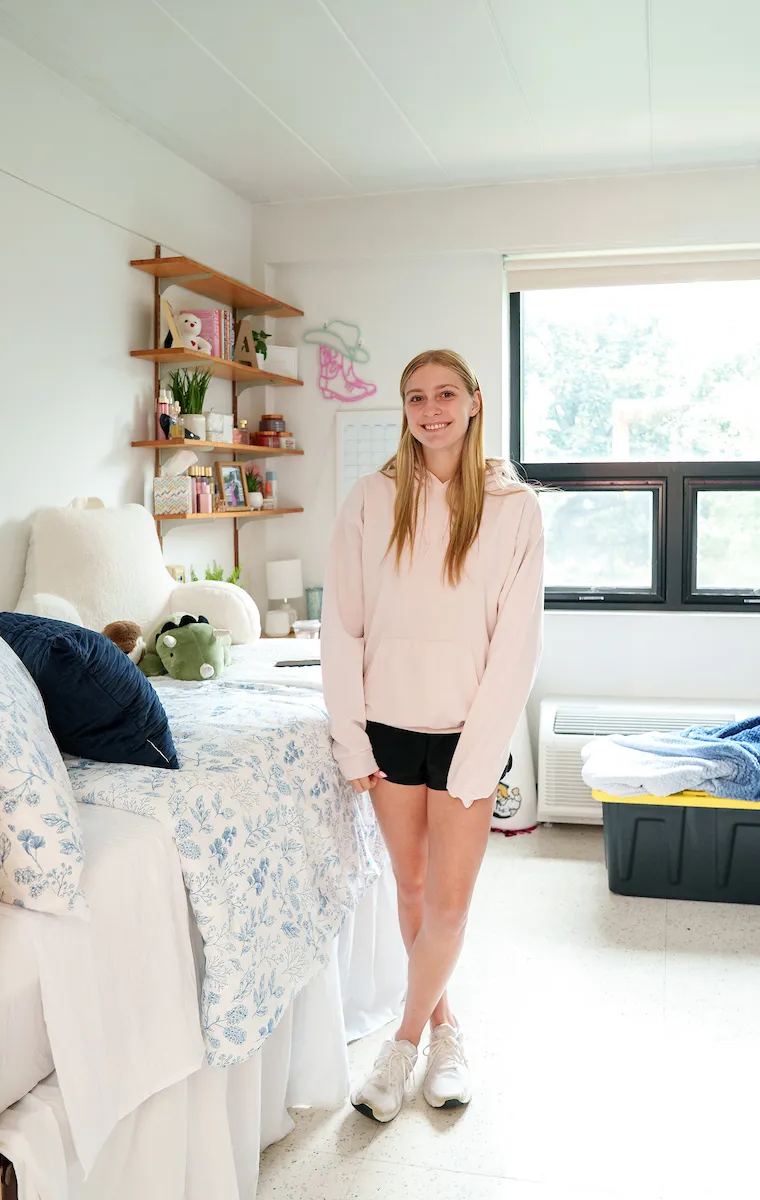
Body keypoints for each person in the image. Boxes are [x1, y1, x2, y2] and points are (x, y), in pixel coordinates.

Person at [321, 349, 544, 1123]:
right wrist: (351, 739)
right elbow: (342, 626)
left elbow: (518, 643)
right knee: (410, 890)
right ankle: (446, 1029)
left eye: (446, 394)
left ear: (474, 401)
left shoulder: (514, 507)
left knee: (449, 904)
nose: (431, 409)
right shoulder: (370, 498)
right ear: (405, 410)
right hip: (388, 727)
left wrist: (481, 754)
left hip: (467, 734)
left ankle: (404, 1044)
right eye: (416, 397)